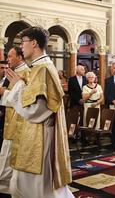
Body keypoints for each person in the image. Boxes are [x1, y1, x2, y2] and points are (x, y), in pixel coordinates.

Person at [3, 26, 73, 198]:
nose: (22, 47)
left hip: (40, 136)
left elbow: (36, 111)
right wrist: (17, 87)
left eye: (24, 42)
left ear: (34, 43)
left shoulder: (43, 69)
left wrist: (18, 86)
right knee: (25, 183)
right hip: (32, 133)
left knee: (39, 187)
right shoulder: (37, 67)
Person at [0, 47, 30, 197]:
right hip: (11, 118)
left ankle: (7, 185)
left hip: (19, 121)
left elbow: (24, 99)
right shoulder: (16, 71)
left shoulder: (26, 72)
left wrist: (3, 92)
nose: (8, 59)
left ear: (20, 56)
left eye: (11, 56)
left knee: (10, 154)